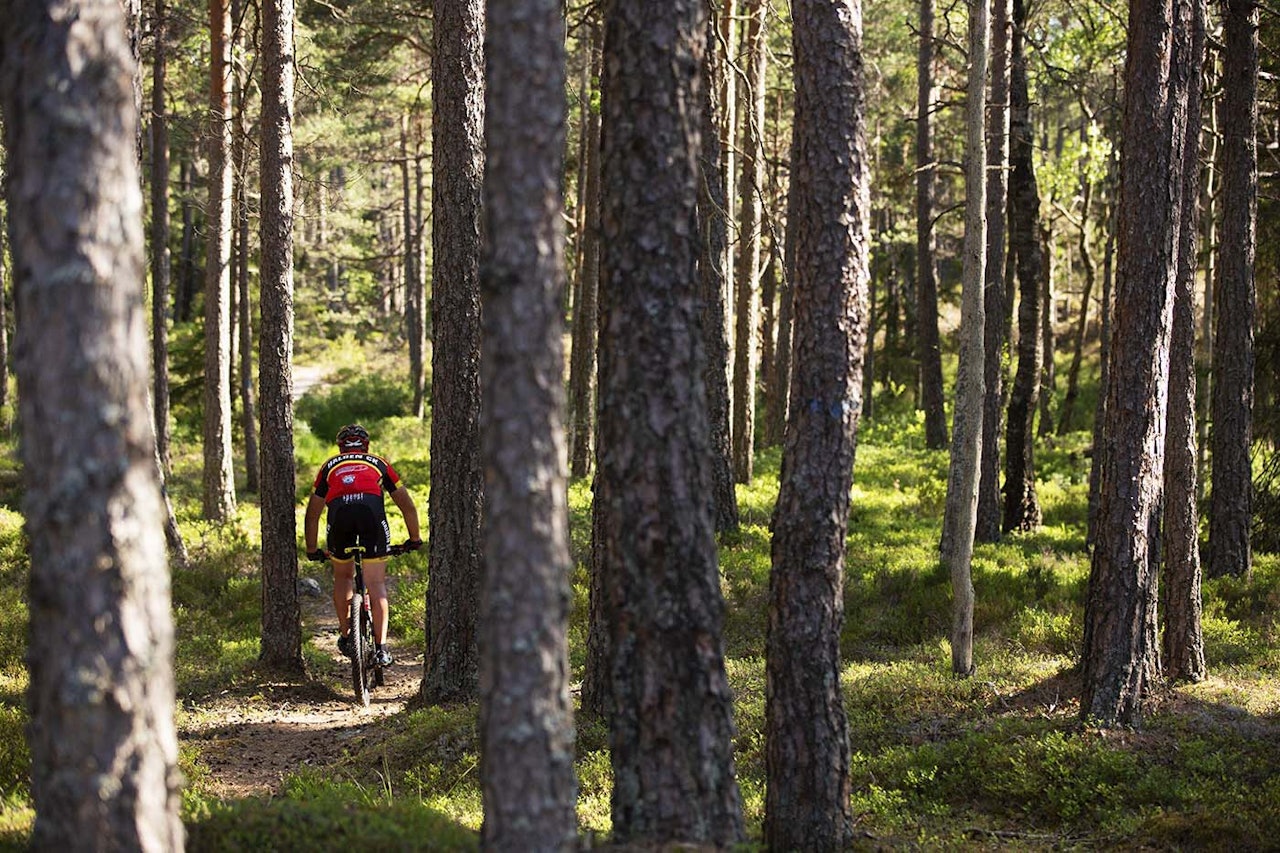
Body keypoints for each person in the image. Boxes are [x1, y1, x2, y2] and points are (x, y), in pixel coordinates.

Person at [304, 423, 422, 667]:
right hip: (371, 519)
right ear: (366, 446)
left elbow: (312, 514)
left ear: (340, 447)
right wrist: (414, 539)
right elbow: (407, 506)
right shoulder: (379, 463)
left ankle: (347, 636)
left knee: (343, 578)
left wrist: (312, 549)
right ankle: (381, 649)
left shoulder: (329, 466)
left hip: (340, 521)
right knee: (376, 583)